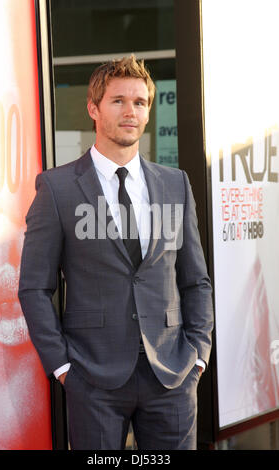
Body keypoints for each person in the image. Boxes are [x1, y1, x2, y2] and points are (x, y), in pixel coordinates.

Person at [18, 55, 214, 450]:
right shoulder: (57, 189)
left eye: (140, 102)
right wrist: (63, 367)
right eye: (118, 101)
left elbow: (195, 279)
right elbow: (34, 288)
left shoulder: (175, 184)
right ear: (94, 108)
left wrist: (199, 353)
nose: (131, 111)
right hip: (92, 379)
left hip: (173, 373)